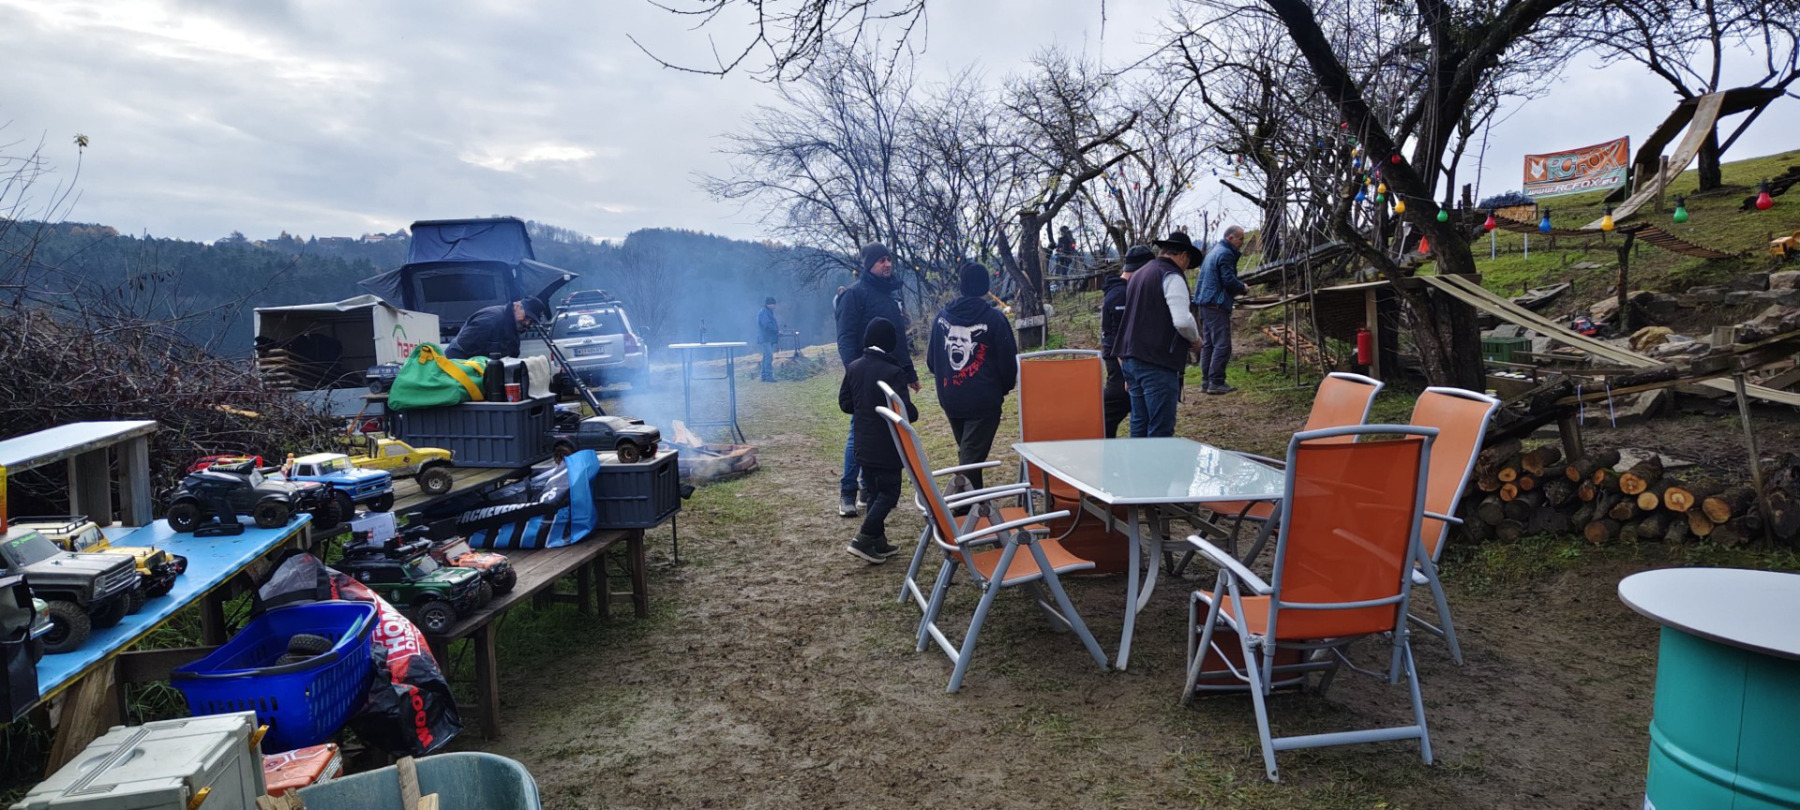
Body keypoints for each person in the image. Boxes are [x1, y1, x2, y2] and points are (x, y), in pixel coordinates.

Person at [834, 242, 918, 518]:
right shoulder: (853, 295)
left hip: (892, 374)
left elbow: (899, 340)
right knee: (858, 432)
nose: (887, 264)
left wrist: (910, 373)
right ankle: (847, 491)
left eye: (889, 259)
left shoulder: (890, 296)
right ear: (869, 264)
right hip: (864, 374)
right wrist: (854, 371)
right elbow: (846, 338)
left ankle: (867, 490)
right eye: (881, 260)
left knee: (885, 432)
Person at [925, 261, 1017, 491]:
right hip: (983, 403)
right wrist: (1000, 389)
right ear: (985, 287)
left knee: (970, 455)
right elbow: (1008, 364)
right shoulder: (995, 320)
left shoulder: (941, 318)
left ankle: (973, 504)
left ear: (962, 285)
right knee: (970, 460)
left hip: (951, 399)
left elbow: (931, 362)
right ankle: (960, 503)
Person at [839, 317, 917, 563]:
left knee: (873, 492)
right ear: (889, 342)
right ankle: (862, 538)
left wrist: (864, 406)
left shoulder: (854, 367)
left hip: (862, 443)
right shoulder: (893, 372)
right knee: (890, 492)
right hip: (887, 446)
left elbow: (845, 403)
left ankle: (878, 541)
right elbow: (904, 411)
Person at [1116, 231, 1202, 438]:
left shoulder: (1139, 275)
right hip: (1156, 361)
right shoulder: (1171, 275)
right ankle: (1157, 461)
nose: (1186, 268)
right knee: (1160, 429)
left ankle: (1137, 460)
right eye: (1188, 262)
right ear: (1183, 255)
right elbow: (1182, 320)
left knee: (1140, 422)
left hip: (1131, 357)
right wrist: (1196, 340)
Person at [1101, 245, 1154, 437]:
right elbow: (1119, 337)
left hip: (1124, 358)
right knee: (1114, 406)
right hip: (1120, 360)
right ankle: (1101, 444)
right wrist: (1128, 372)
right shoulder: (1121, 294)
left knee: (1134, 406)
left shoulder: (1125, 290)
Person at [1193, 226, 1251, 395]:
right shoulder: (1225, 254)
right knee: (1222, 345)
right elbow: (1228, 280)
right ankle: (1216, 382)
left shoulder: (1213, 252)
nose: (1242, 242)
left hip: (1204, 304)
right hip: (1216, 305)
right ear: (1231, 238)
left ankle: (1206, 381)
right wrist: (1243, 288)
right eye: (1241, 239)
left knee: (1209, 344)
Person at [444, 298, 550, 360]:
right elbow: (463, 348)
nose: (527, 323)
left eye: (531, 321)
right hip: (459, 368)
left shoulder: (512, 327)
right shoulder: (491, 319)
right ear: (517, 306)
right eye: (526, 317)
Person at [757, 296, 780, 382]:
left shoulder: (767, 312)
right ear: (769, 304)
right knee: (769, 356)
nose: (774, 306)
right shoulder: (764, 312)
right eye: (773, 304)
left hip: (766, 338)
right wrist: (776, 331)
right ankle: (768, 376)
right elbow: (767, 325)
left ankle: (764, 375)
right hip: (765, 338)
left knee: (765, 356)